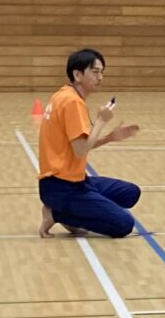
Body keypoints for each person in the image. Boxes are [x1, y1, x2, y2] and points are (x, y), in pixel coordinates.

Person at [37, 49, 141, 240]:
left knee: (130, 193)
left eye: (102, 72)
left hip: (76, 181)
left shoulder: (64, 95)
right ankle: (56, 213)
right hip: (61, 187)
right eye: (95, 72)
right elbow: (80, 150)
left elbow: (78, 144)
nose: (100, 77)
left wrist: (110, 137)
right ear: (77, 75)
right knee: (123, 225)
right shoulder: (72, 102)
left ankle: (76, 211)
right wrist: (101, 121)